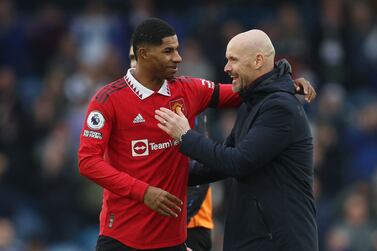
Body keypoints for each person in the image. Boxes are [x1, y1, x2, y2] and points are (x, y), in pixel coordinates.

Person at [78, 17, 315, 250]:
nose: (178, 58)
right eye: (169, 51)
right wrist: (144, 192)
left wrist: (285, 84)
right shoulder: (108, 100)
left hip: (173, 239)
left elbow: (246, 89)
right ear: (144, 55)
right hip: (122, 238)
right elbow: (87, 161)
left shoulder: (188, 89)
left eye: (177, 49)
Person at [156, 29, 318, 251]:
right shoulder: (253, 103)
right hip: (256, 237)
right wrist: (164, 178)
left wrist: (186, 136)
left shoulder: (280, 108)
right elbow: (221, 163)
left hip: (279, 241)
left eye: (233, 59)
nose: (226, 68)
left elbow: (238, 162)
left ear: (258, 60)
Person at [130, 44, 213, 251]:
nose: (135, 64)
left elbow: (201, 169)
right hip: (143, 228)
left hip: (189, 225)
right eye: (132, 58)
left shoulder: (184, 102)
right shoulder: (124, 109)